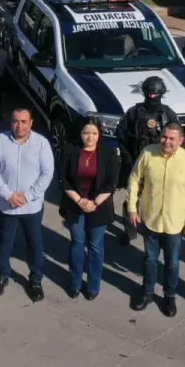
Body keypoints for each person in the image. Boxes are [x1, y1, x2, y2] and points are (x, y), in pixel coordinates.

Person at [128, 122, 185, 317]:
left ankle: (169, 296)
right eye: (164, 137)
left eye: (171, 138)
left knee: (172, 263)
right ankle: (147, 293)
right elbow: (134, 179)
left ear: (181, 141)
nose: (166, 141)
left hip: (174, 224)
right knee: (150, 260)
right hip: (150, 219)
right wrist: (132, 208)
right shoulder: (148, 153)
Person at [0, 107, 54, 301]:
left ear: (31, 123)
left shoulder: (41, 143)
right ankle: (2, 275)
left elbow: (47, 173)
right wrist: (8, 194)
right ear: (11, 122)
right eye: (16, 121)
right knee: (4, 241)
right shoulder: (0, 141)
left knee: (34, 243)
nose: (19, 125)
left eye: (24, 121)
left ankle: (35, 280)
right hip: (7, 205)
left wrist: (28, 196)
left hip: (31, 207)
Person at [58, 118, 120, 301]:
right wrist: (79, 201)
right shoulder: (70, 150)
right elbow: (63, 179)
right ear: (80, 133)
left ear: (99, 134)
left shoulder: (109, 153)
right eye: (86, 133)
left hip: (99, 206)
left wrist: (94, 203)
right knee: (77, 242)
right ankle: (75, 283)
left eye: (93, 133)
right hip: (74, 204)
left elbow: (112, 183)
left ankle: (93, 285)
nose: (90, 137)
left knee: (95, 246)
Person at [115, 76, 179, 245]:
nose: (152, 98)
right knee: (131, 200)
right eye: (150, 94)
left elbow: (177, 138)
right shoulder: (134, 112)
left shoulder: (167, 114)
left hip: (160, 166)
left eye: (155, 94)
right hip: (137, 164)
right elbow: (120, 135)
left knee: (159, 200)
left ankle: (155, 233)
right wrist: (128, 158)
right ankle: (130, 232)